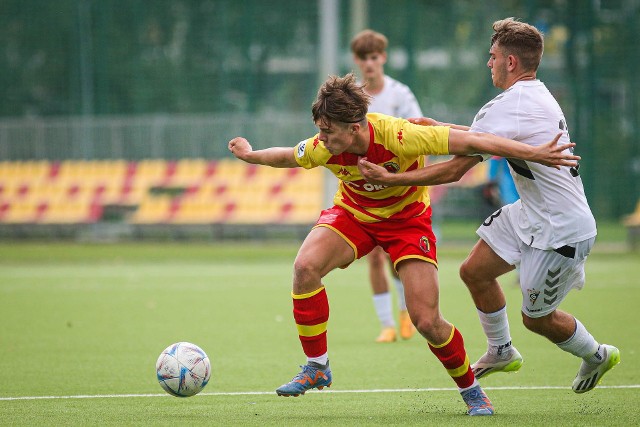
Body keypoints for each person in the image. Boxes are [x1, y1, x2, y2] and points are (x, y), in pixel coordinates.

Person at [228, 72, 579, 415]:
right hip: (354, 216)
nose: (321, 138)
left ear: (354, 128)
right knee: (305, 267)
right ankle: (317, 366)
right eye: (320, 130)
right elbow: (288, 155)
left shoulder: (400, 135)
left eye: (327, 131)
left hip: (408, 224)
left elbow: (477, 141)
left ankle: (471, 389)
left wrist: (535, 152)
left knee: (426, 320)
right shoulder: (324, 146)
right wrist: (251, 154)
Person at [358, 18, 620, 394]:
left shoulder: (509, 104)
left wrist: (391, 180)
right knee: (475, 272)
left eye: (493, 55)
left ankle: (597, 354)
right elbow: (489, 134)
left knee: (538, 320)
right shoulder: (534, 94)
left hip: (560, 231)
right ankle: (501, 351)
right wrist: (439, 125)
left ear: (510, 62)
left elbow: (453, 171)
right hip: (530, 214)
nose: (489, 63)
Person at [351, 29, 423, 343]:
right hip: (366, 188)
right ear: (356, 60)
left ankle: (406, 314)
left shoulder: (400, 94)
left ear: (383, 57)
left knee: (397, 258)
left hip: (398, 185)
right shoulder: (351, 97)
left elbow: (419, 132)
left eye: (374, 56)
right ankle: (387, 324)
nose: (370, 63)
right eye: (363, 58)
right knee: (375, 256)